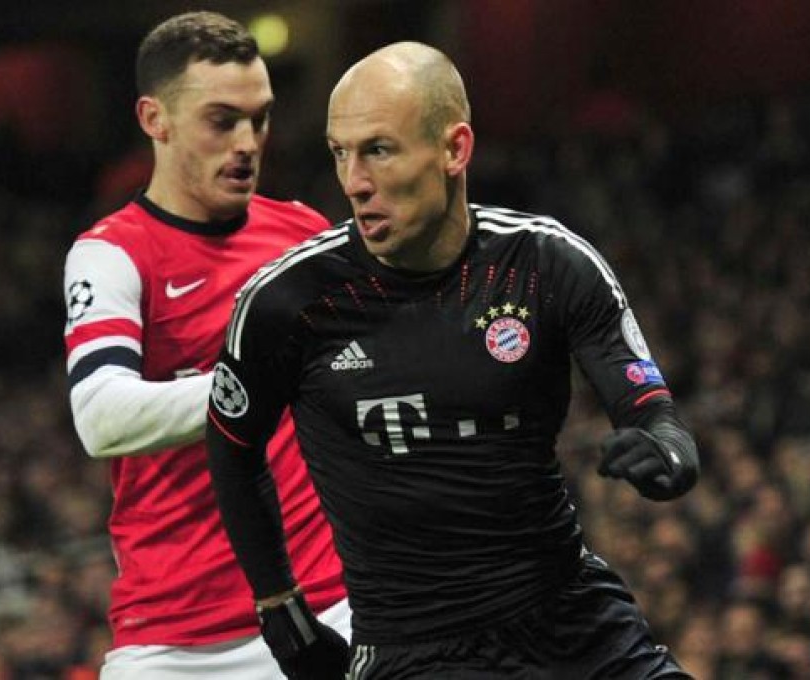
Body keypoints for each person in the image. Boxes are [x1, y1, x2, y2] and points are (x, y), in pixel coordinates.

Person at [206, 41, 700, 679]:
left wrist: (667, 452)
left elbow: (655, 414)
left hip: (575, 624)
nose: (355, 181)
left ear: (454, 148)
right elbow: (230, 447)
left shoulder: (548, 265)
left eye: (378, 150)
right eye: (340, 153)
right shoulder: (288, 303)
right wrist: (280, 611)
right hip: (416, 653)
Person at [62, 11, 348, 679]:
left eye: (261, 118)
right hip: (172, 639)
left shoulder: (304, 235)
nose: (248, 142)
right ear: (154, 120)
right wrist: (265, 380)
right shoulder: (112, 255)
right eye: (222, 121)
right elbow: (101, 418)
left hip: (328, 605)